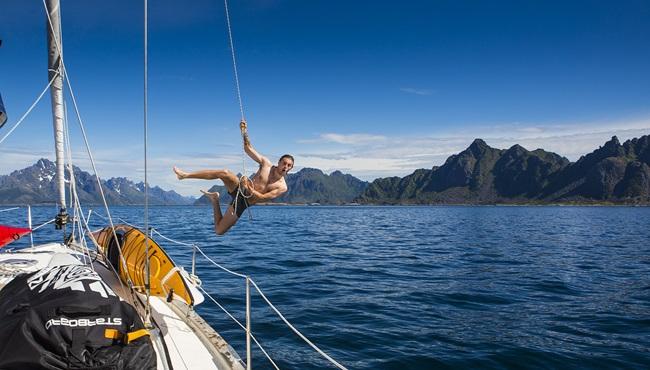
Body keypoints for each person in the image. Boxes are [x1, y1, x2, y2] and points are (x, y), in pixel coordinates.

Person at [173, 120, 294, 235]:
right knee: (224, 172)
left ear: (291, 168)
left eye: (289, 165)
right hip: (240, 187)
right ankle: (185, 175)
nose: (285, 166)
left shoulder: (282, 187)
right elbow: (248, 148)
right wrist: (244, 131)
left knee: (219, 231)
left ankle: (215, 199)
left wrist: (251, 190)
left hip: (244, 202)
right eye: (284, 163)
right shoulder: (266, 164)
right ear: (279, 162)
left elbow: (263, 198)